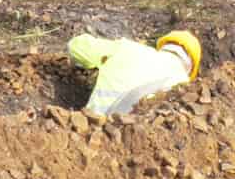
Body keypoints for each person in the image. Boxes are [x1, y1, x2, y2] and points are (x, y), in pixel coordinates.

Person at [66, 29, 202, 116]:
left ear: (163, 46)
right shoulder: (182, 86)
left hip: (88, 132)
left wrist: (100, 62)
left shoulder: (126, 48)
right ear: (191, 68)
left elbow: (76, 47)